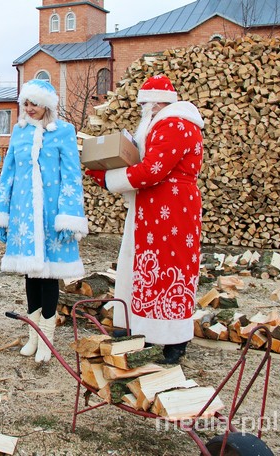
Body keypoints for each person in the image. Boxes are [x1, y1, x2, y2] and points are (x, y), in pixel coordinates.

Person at [84, 74, 205, 364]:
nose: (142, 113)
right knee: (149, 269)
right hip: (156, 207)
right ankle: (146, 331)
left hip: (170, 208)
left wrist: (107, 177)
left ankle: (173, 342)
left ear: (153, 105)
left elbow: (153, 169)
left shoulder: (174, 124)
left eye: (144, 107)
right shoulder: (170, 123)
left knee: (167, 269)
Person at [0, 79, 89, 363]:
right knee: (30, 275)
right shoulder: (18, 134)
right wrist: (1, 213)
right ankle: (34, 334)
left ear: (47, 105)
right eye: (26, 104)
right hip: (23, 215)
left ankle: (47, 337)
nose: (29, 109)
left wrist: (69, 217)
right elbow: (7, 174)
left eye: (34, 103)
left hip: (51, 216)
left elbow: (71, 175)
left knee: (49, 276)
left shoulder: (64, 132)